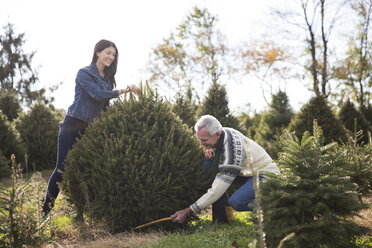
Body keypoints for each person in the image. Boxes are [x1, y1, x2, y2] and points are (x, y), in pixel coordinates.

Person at [42, 39, 139, 219]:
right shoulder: (84, 73)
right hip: (72, 125)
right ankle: (45, 212)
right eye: (108, 53)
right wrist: (125, 90)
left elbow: (104, 106)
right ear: (97, 52)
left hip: (90, 130)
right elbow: (97, 95)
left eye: (114, 55)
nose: (111, 57)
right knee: (62, 168)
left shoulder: (108, 79)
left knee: (87, 170)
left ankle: (81, 214)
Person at [171, 115, 280, 223]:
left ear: (217, 134)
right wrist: (214, 159)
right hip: (247, 173)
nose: (201, 143)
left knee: (238, 201)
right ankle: (225, 215)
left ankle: (277, 205)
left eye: (204, 140)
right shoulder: (223, 133)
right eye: (199, 139)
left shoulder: (232, 150)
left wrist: (187, 210)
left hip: (265, 176)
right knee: (207, 166)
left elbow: (217, 190)